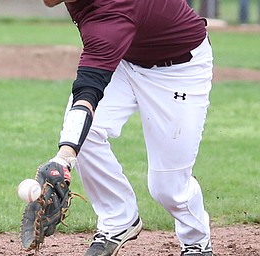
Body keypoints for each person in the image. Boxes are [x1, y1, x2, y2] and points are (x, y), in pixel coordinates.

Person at [39, 0, 214, 255]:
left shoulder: (110, 16)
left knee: (168, 187)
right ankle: (118, 220)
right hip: (125, 57)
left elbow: (88, 93)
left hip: (179, 70)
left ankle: (196, 241)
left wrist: (64, 158)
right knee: (86, 136)